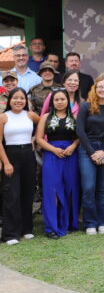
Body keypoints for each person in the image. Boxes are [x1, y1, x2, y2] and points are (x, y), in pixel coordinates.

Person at [76, 77, 104, 235]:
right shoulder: (86, 107)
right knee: (88, 188)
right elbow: (80, 131)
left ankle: (101, 222)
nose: (102, 90)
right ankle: (90, 223)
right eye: (100, 87)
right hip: (87, 150)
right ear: (95, 88)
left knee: (102, 189)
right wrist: (92, 152)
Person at [36, 88, 80, 238]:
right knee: (52, 190)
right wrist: (53, 149)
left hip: (70, 155)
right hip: (51, 155)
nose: (60, 102)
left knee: (69, 189)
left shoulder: (74, 117)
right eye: (56, 100)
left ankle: (67, 223)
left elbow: (80, 136)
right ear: (52, 102)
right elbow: (39, 138)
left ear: (68, 100)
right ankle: (52, 227)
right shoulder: (46, 117)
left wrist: (73, 146)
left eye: (62, 99)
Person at [0, 88, 39, 244]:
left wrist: (35, 138)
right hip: (11, 155)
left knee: (27, 193)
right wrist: (6, 162)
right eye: (15, 98)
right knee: (12, 196)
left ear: (26, 100)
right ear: (10, 100)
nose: (19, 101)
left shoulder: (30, 115)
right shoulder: (3, 117)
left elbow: (44, 124)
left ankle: (26, 229)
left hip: (28, 156)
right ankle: (10, 234)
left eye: (22, 98)